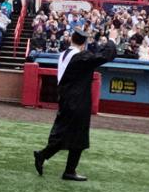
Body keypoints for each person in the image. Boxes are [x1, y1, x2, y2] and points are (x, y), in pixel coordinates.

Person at [34, 27, 118, 181]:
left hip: (66, 99)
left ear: (71, 39)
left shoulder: (65, 54)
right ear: (84, 43)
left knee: (68, 134)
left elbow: (92, 56)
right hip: (77, 101)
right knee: (76, 134)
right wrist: (112, 39)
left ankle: (55, 162)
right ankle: (55, 162)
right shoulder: (80, 57)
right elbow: (103, 56)